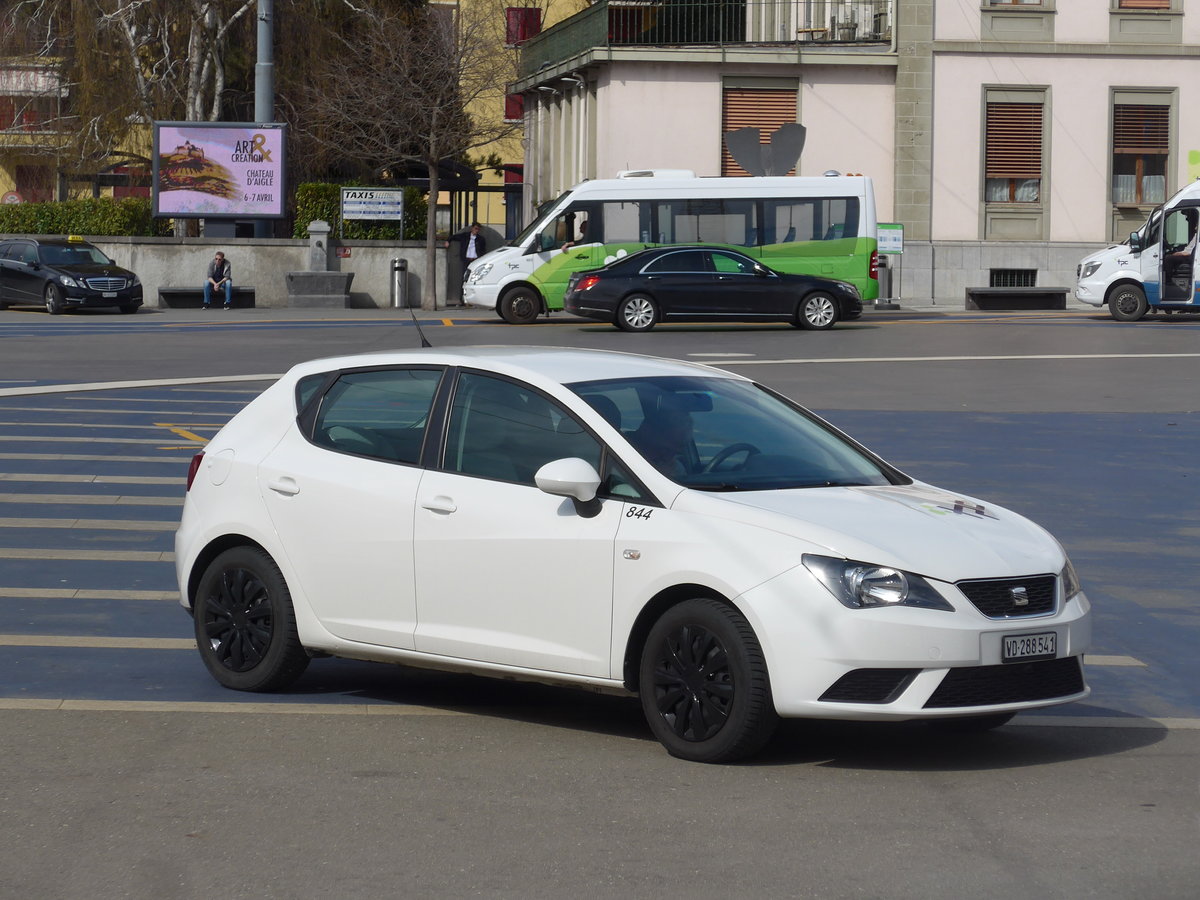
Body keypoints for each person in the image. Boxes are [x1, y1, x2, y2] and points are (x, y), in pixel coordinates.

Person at [629, 404, 694, 477]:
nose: (668, 458)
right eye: (664, 450)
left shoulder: (676, 468)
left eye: (676, 453)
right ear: (646, 435)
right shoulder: (620, 463)